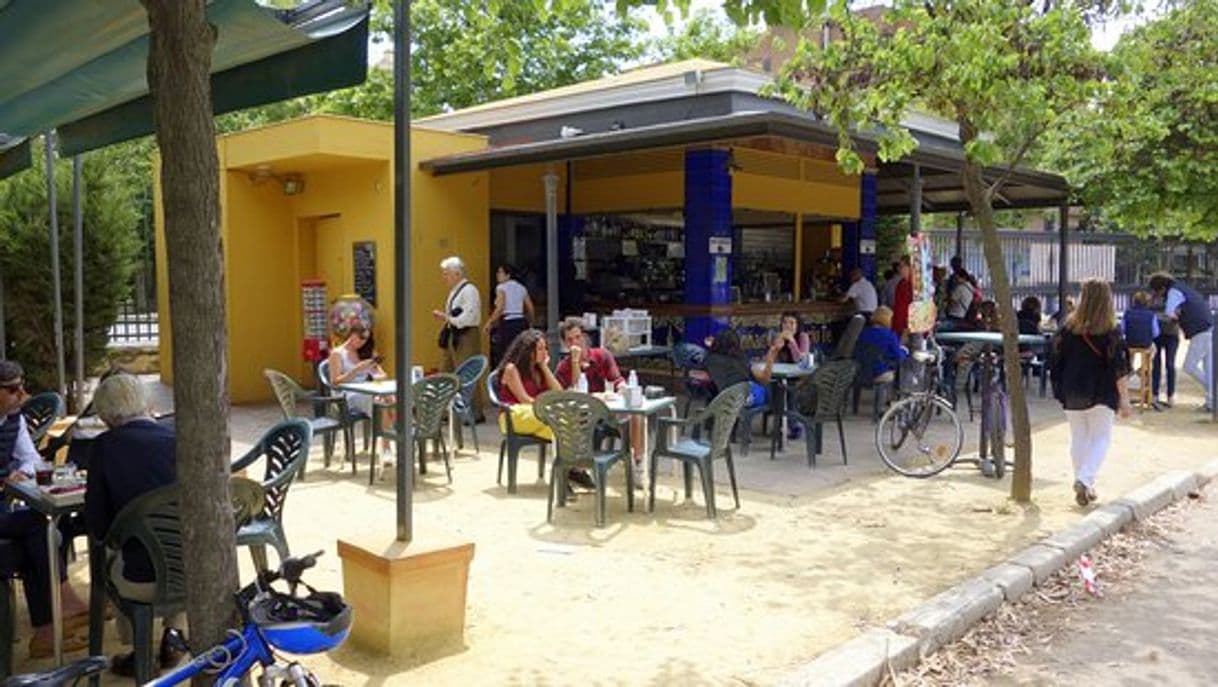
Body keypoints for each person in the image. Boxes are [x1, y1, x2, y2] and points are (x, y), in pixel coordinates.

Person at [82, 373, 183, 675]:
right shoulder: (177, 437)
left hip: (140, 580)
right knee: (175, 549)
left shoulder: (103, 447)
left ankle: (138, 651)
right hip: (194, 573)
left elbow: (98, 526)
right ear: (145, 402)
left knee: (116, 556)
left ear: (104, 413)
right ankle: (174, 632)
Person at [0, 361, 90, 659]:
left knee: (40, 529)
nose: (21, 394)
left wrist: (18, 471)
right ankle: (61, 608)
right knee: (37, 527)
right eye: (12, 389)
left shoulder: (14, 419)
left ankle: (46, 631)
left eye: (21, 386)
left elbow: (31, 460)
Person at [1050, 279, 1132, 507]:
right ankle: (1085, 479)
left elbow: (1055, 358)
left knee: (1078, 436)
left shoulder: (1068, 328)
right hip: (1101, 389)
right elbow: (1119, 367)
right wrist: (1124, 399)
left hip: (1073, 388)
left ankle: (1084, 481)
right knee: (1101, 437)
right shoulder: (1111, 331)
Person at [554, 317, 645, 485]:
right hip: (582, 417)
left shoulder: (602, 355)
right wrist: (575, 361)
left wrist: (623, 388)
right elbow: (571, 392)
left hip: (609, 411)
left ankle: (638, 464)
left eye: (578, 337)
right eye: (570, 339)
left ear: (585, 337)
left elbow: (616, 379)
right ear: (565, 344)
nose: (575, 342)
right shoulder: (564, 367)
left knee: (637, 416)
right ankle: (576, 469)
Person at [1149, 272, 1214, 411]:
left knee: (1189, 367)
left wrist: (1178, 317)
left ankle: (1214, 391)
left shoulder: (1173, 292)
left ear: (1161, 288)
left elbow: (1169, 312)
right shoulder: (1183, 287)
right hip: (1209, 326)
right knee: (1208, 368)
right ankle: (1212, 402)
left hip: (1199, 330)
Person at [434, 256, 484, 419]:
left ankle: (474, 412)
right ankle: (444, 411)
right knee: (446, 371)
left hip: (466, 334)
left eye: (446, 273)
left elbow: (468, 318)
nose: (444, 277)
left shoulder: (470, 291)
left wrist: (446, 318)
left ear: (457, 273)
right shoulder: (454, 291)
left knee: (468, 372)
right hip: (453, 334)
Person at [702, 329, 781, 410]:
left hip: (721, 399)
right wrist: (771, 356)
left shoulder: (709, 360)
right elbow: (765, 379)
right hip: (744, 397)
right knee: (766, 390)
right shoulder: (740, 361)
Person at [326, 324, 387, 418]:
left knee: (392, 397)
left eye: (366, 339)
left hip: (367, 389)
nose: (363, 342)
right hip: (348, 394)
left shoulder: (366, 352)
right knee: (379, 402)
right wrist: (357, 369)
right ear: (352, 334)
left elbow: (383, 375)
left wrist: (374, 376)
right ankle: (386, 430)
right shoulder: (337, 353)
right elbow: (335, 381)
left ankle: (393, 429)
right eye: (361, 337)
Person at [483, 264, 535, 367]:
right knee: (520, 352)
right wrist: (530, 322)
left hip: (508, 322)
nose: (497, 275)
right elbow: (530, 307)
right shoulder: (521, 288)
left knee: (506, 353)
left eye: (500, 272)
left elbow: (500, 308)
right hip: (521, 321)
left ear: (508, 275)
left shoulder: (501, 287)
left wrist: (489, 322)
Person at [854, 306, 908, 383]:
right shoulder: (890, 335)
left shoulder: (863, 332)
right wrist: (904, 350)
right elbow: (898, 356)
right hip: (879, 373)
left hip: (860, 371)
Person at [1152, 293, 1181, 408]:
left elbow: (1178, 315)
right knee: (1156, 365)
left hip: (1171, 335)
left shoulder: (1174, 299)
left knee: (1170, 364)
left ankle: (1170, 394)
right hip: (1158, 335)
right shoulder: (1153, 298)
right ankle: (1154, 394)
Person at [891, 257, 913, 338]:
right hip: (898, 327)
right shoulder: (901, 284)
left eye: (902, 266)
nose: (899, 269)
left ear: (910, 267)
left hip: (908, 328)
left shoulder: (915, 286)